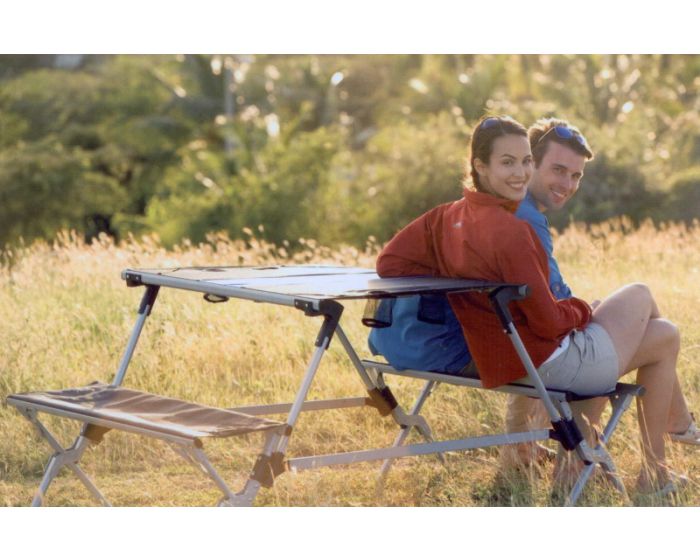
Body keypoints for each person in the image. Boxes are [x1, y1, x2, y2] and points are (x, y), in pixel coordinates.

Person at [375, 115, 698, 496]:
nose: (524, 174)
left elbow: (388, 263)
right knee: (642, 302)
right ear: (482, 166)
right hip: (533, 357)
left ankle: (605, 461)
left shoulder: (455, 215)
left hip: (513, 349)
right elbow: (549, 320)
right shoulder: (515, 227)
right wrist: (581, 310)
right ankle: (646, 457)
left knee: (661, 334)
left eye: (524, 162)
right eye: (511, 163)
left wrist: (458, 289)